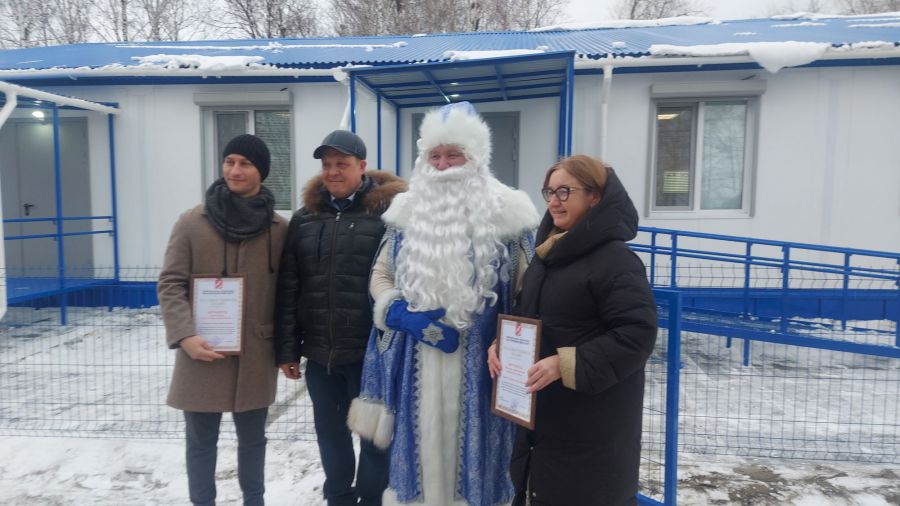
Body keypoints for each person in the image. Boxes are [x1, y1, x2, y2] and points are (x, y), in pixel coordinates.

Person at [348, 102, 540, 506]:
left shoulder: (510, 214)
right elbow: (380, 275)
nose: (442, 165)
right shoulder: (406, 212)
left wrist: (511, 341)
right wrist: (398, 312)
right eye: (434, 156)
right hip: (416, 362)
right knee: (417, 463)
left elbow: (533, 290)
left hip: (485, 369)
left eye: (453, 154)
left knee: (480, 469)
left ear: (476, 158)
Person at [487, 155, 658, 506]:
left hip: (592, 428)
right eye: (549, 192)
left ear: (594, 197)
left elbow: (636, 334)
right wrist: (501, 342)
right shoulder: (548, 256)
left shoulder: (616, 260)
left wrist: (563, 364)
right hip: (545, 423)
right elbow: (528, 313)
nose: (554, 201)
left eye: (565, 191)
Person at [274, 130, 405, 506]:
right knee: (330, 438)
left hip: (371, 357)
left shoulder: (387, 216)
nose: (333, 171)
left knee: (375, 440)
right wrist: (287, 349)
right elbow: (289, 286)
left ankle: (372, 499)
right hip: (321, 357)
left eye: (342, 164)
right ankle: (338, 498)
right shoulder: (305, 218)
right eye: (327, 164)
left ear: (361, 166)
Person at [158, 134, 288, 506]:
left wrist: (287, 347)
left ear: (261, 171)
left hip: (255, 355)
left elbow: (287, 293)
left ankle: (254, 501)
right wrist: (185, 335)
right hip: (201, 352)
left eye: (245, 163)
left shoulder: (279, 230)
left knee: (254, 441)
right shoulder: (191, 223)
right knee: (201, 442)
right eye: (229, 161)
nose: (235, 170)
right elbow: (170, 283)